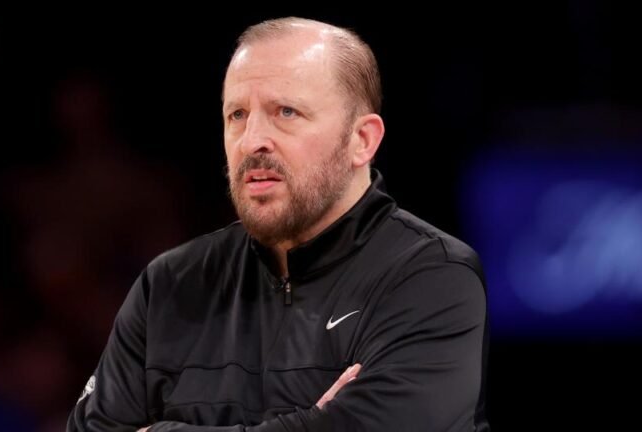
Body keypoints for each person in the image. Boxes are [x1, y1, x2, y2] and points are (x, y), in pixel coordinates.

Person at [67, 16, 490, 432]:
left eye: (286, 112)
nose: (252, 140)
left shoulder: (432, 277)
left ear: (362, 141)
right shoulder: (170, 284)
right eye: (236, 115)